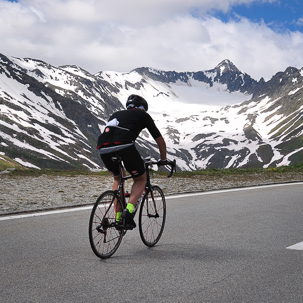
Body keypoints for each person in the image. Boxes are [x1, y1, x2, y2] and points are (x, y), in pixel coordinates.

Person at [97, 94, 167, 228]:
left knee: (118, 178)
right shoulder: (142, 115)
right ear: (142, 108)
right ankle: (128, 211)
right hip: (124, 145)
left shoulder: (116, 114)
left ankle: (118, 217)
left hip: (102, 147)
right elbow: (160, 142)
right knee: (140, 178)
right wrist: (163, 160)